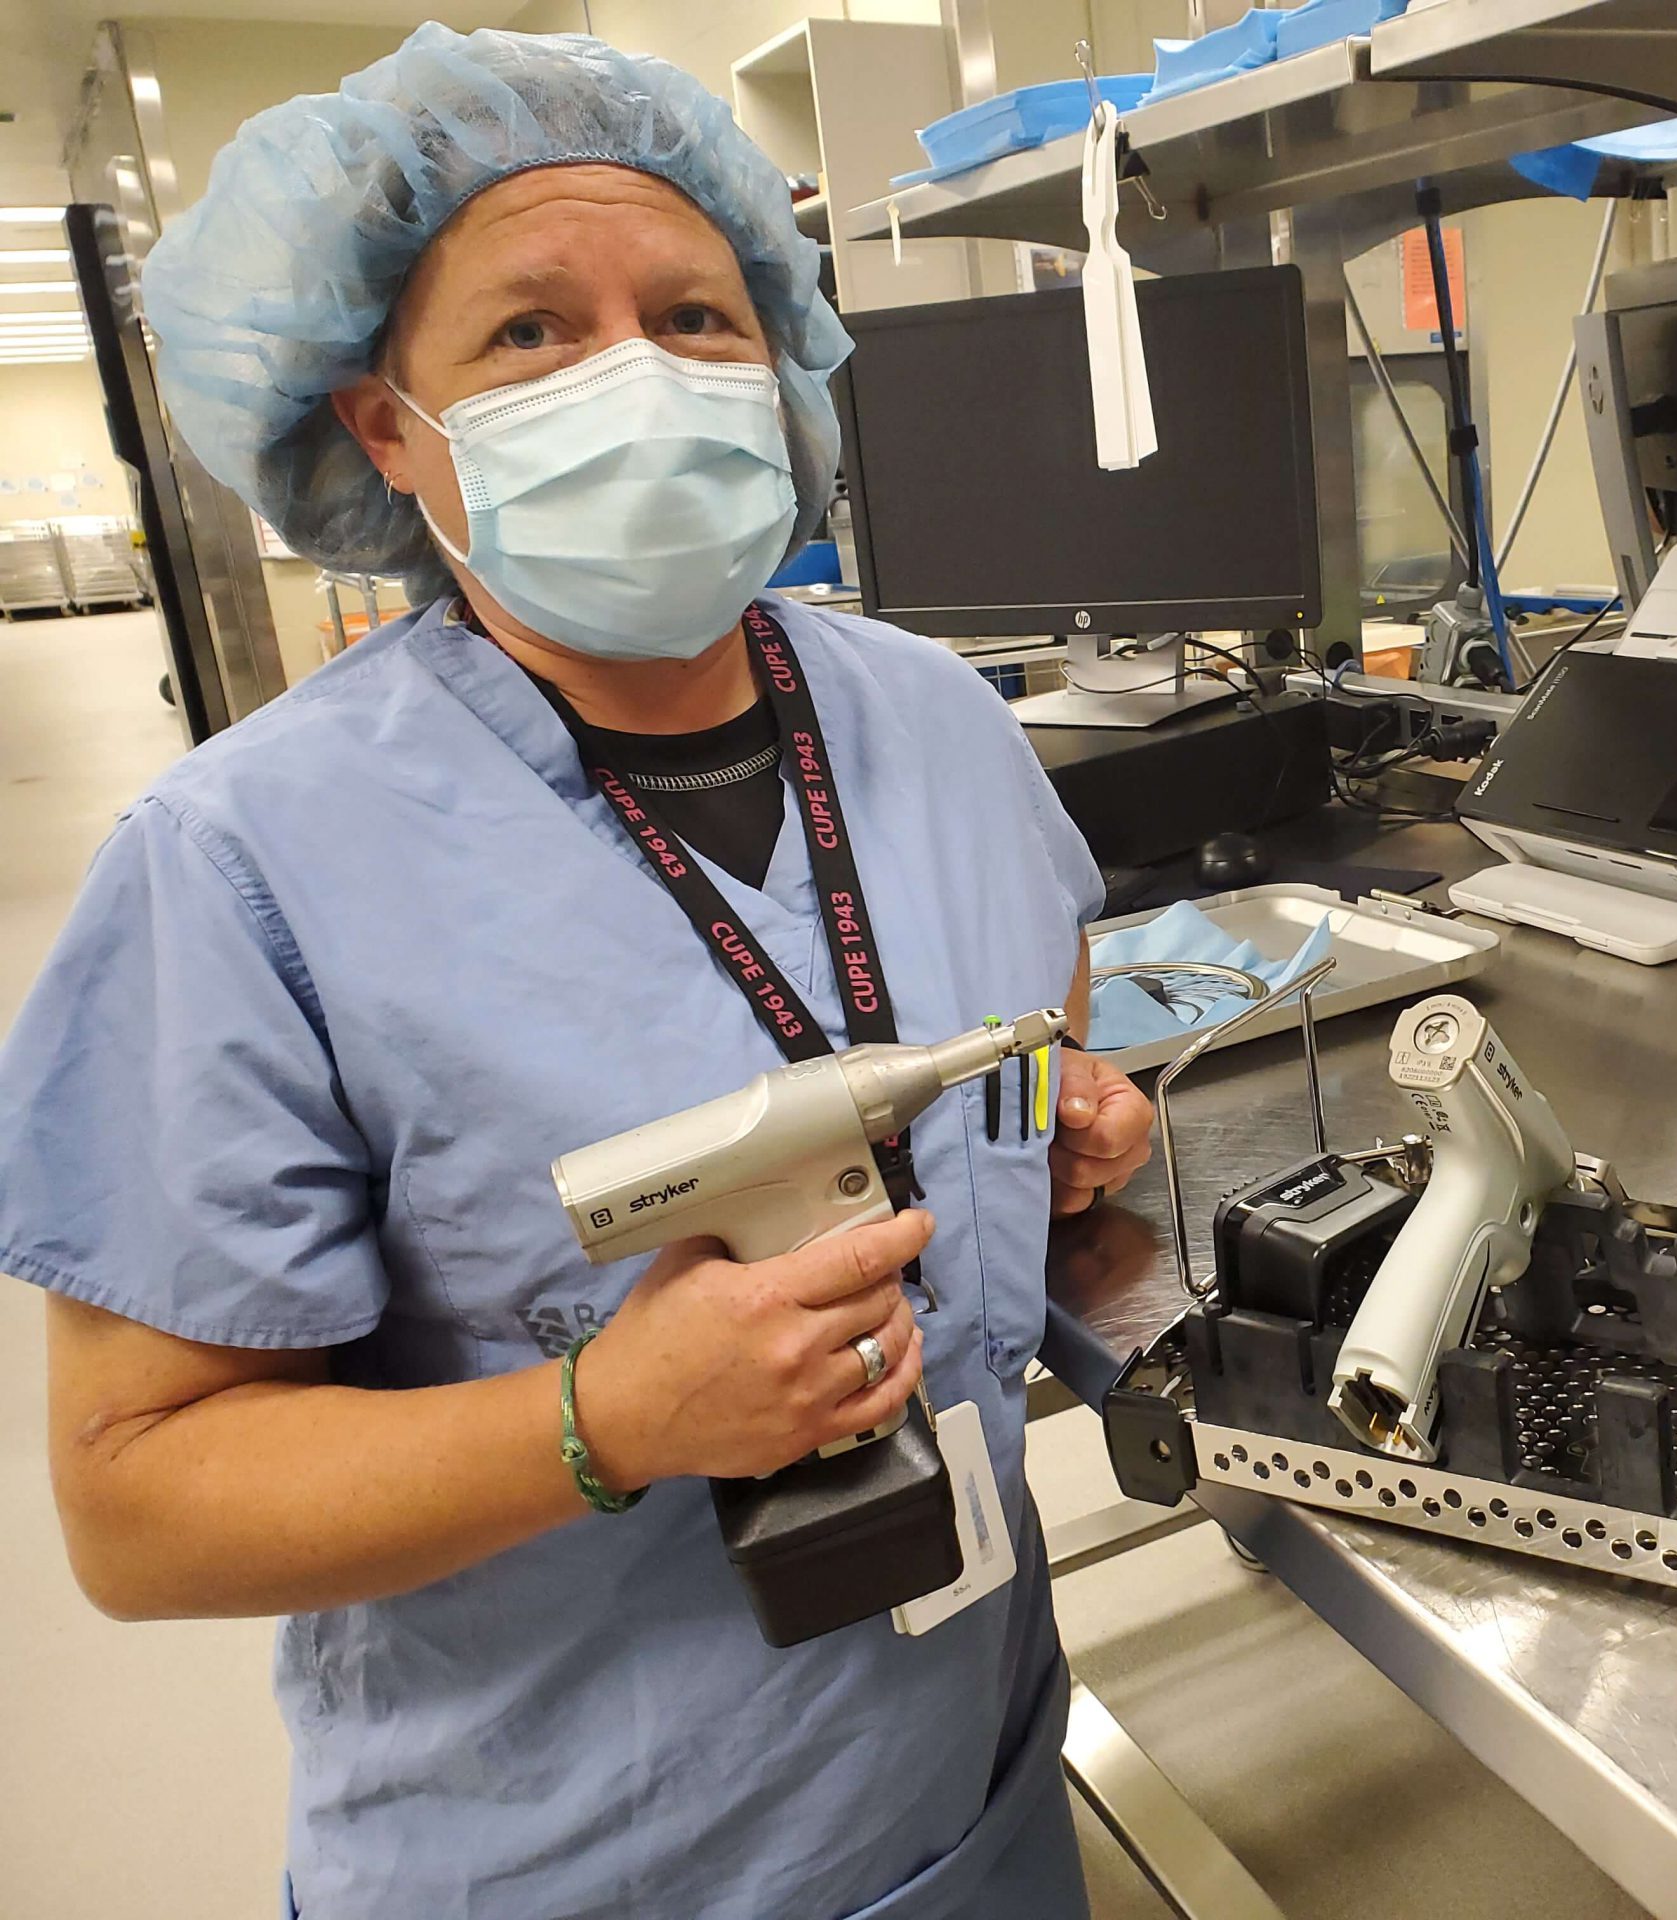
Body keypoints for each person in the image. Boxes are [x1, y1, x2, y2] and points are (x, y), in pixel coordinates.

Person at [0, 25, 1157, 1919]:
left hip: (977, 1797)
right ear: (390, 425)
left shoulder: (939, 719)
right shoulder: (243, 866)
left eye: (698, 315)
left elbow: (1019, 1055)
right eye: (531, 332)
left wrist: (1065, 1127)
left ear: (777, 368)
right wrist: (603, 1423)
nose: (637, 371)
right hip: (584, 1858)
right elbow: (136, 1505)